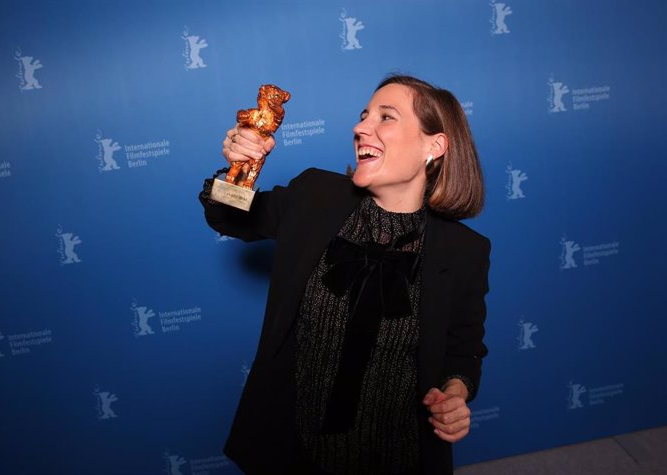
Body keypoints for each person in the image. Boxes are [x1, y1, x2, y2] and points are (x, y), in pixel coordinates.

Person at [199, 75, 491, 475]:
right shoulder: (314, 195)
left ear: (434, 145)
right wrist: (240, 167)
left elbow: (464, 348)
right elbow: (227, 216)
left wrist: (455, 394)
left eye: (386, 118)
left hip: (398, 453)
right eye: (363, 116)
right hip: (290, 448)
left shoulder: (465, 251)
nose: (360, 128)